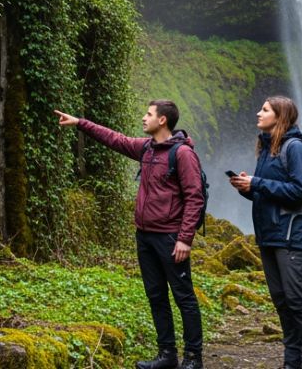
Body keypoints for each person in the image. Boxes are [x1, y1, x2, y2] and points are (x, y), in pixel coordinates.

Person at [55, 102, 204, 369]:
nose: (143, 117)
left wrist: (185, 238)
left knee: (184, 297)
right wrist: (80, 122)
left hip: (170, 237)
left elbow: (195, 197)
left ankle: (193, 358)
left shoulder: (182, 154)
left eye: (149, 114)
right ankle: (167, 355)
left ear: (162, 120)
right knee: (156, 295)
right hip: (145, 236)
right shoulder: (147, 149)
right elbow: (115, 139)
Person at [228, 95, 302, 369]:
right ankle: (291, 362)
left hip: (292, 237)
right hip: (269, 236)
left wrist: (257, 182)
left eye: (265, 110)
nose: (258, 113)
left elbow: (300, 191)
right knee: (283, 303)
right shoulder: (267, 147)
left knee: (300, 304)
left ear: (280, 116)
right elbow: (268, 193)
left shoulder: (294, 148)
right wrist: (248, 187)